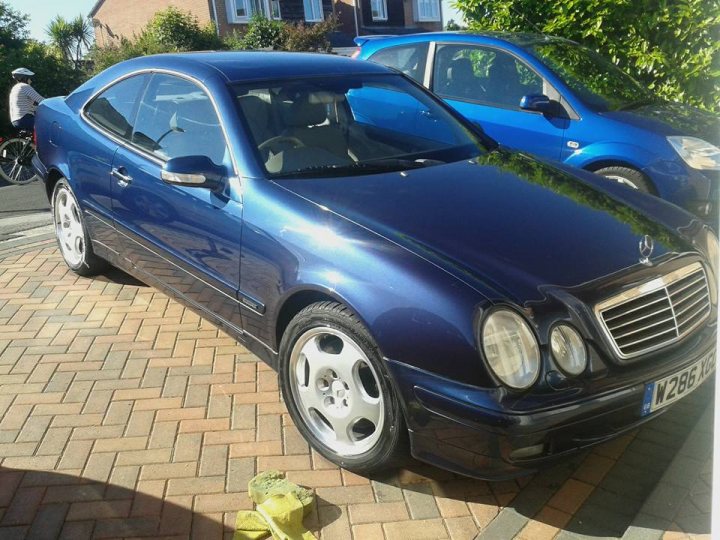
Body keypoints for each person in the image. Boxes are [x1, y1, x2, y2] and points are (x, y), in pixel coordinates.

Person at [9, 67, 44, 132]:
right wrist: (53, 103)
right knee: (47, 126)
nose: (31, 80)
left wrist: (37, 108)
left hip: (16, 120)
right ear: (25, 78)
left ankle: (30, 142)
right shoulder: (24, 86)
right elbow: (41, 100)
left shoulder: (15, 88)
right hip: (24, 118)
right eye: (30, 78)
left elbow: (24, 106)